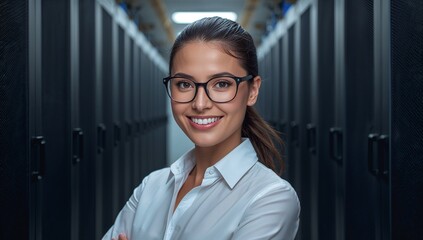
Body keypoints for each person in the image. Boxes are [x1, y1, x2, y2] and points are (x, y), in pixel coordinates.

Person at [103, 16, 300, 240]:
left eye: (222, 84)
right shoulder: (151, 186)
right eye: (184, 84)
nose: (200, 103)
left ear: (253, 90)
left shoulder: (270, 198)